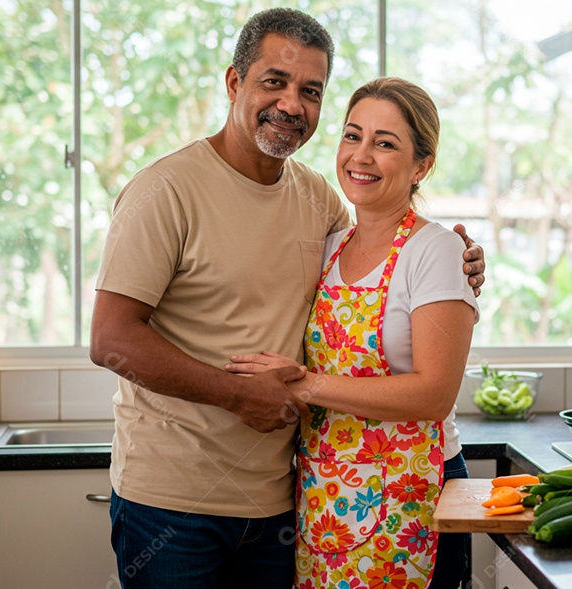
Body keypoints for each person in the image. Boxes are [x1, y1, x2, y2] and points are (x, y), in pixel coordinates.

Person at [88, 8, 484, 589]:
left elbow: (393, 254)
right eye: (274, 81)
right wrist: (239, 395)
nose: (292, 104)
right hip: (175, 505)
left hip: (286, 499)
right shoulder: (165, 191)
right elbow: (110, 339)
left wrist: (461, 263)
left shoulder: (317, 199)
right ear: (234, 83)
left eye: (311, 91)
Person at [225, 77, 477, 589]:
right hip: (327, 496)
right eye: (352, 135)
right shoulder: (328, 246)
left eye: (385, 144)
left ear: (421, 166)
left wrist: (303, 384)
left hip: (414, 497)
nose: (360, 156)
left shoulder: (436, 251)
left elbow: (434, 394)